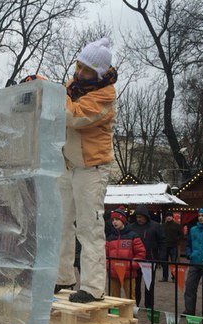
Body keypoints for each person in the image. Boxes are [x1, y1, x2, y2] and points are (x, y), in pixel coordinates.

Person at [54, 37, 118, 303]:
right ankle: (63, 276)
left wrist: (49, 92)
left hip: (92, 168)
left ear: (99, 73)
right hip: (68, 164)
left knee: (89, 227)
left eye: (87, 70)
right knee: (61, 223)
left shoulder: (104, 96)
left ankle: (93, 287)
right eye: (79, 66)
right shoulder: (74, 86)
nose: (79, 73)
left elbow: (75, 116)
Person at [129, 205, 165, 308]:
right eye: (137, 217)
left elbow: (162, 242)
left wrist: (161, 257)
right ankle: (135, 304)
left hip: (150, 260)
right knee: (135, 284)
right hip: (136, 260)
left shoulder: (156, 226)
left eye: (141, 217)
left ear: (146, 216)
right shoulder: (131, 227)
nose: (139, 219)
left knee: (149, 285)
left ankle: (149, 306)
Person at [105, 207, 146, 299]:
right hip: (113, 274)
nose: (114, 222)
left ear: (123, 220)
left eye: (117, 219)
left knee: (130, 297)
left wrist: (130, 265)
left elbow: (141, 254)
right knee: (113, 298)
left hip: (128, 273)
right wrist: (110, 265)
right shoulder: (110, 237)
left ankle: (130, 314)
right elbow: (105, 255)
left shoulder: (133, 236)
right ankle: (115, 314)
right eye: (113, 220)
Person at [161, 211, 183, 282]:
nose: (168, 217)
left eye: (170, 216)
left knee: (173, 262)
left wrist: (176, 240)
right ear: (165, 217)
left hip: (173, 246)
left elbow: (181, 235)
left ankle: (174, 277)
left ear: (172, 217)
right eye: (167, 216)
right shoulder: (162, 226)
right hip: (165, 246)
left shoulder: (177, 225)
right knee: (164, 262)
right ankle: (165, 277)